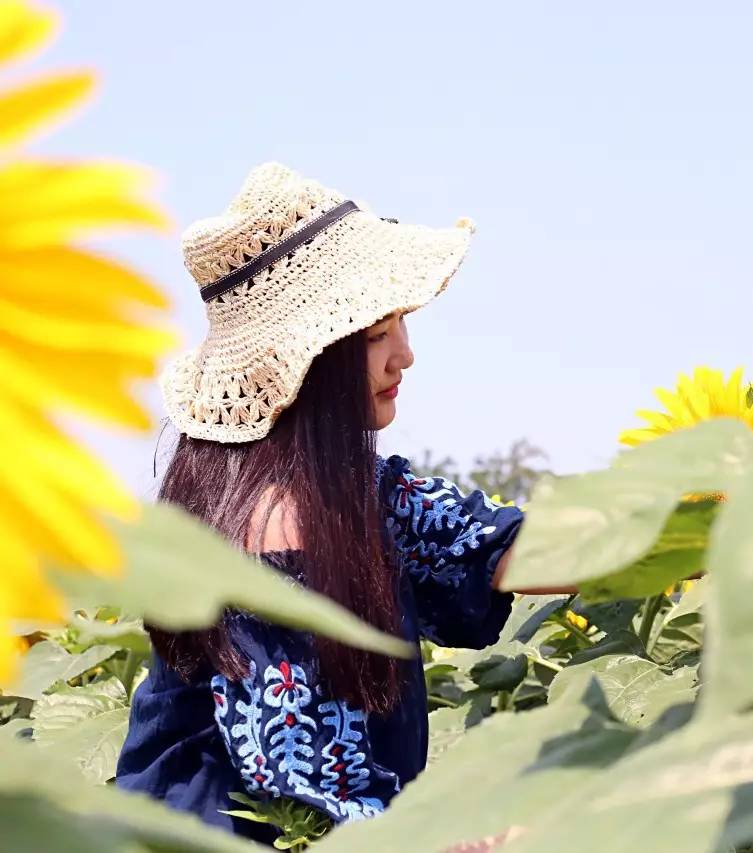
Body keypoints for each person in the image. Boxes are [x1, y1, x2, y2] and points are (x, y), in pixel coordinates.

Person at [115, 163, 566, 842]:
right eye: (377, 334)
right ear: (309, 363)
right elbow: (305, 786)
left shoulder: (363, 496)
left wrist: (705, 528)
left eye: (402, 324)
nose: (404, 355)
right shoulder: (264, 531)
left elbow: (510, 547)